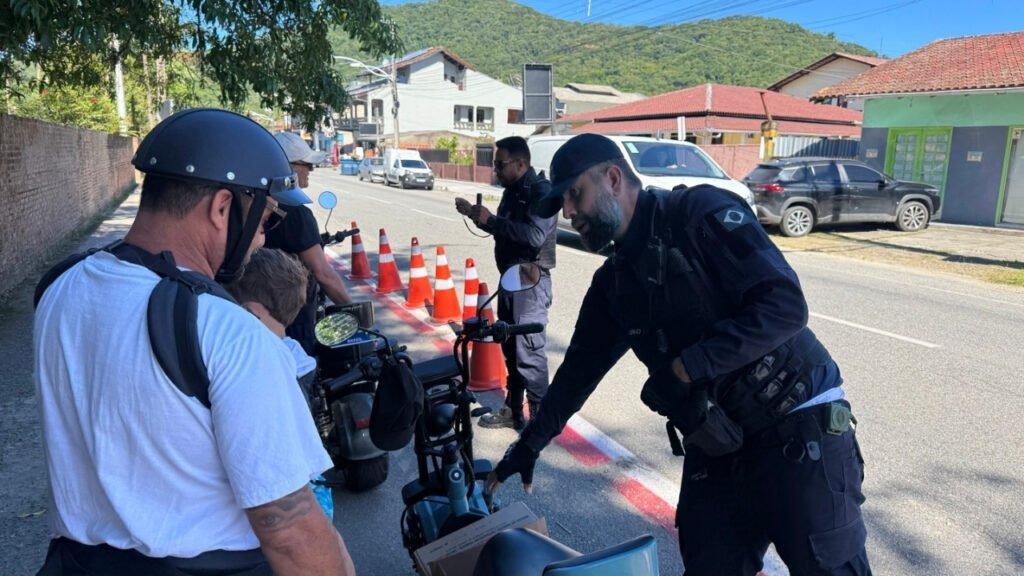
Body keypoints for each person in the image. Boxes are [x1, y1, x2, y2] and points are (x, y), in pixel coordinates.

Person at [488, 134, 870, 575]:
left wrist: (687, 367)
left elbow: (785, 306)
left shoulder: (698, 214)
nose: (569, 212)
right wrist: (528, 446)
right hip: (719, 443)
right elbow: (575, 376)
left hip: (799, 427)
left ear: (613, 178)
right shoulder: (613, 285)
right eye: (562, 204)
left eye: (575, 194)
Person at [33, 109, 355, 576]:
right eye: (265, 219)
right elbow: (290, 529)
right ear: (222, 208)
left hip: (76, 563)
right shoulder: (227, 330)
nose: (262, 239)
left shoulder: (62, 287)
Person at [455, 136, 557, 431]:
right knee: (511, 349)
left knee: (530, 354)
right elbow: (508, 231)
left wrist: (494, 221)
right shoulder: (512, 191)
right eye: (495, 164)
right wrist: (480, 219)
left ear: (521, 163)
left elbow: (535, 237)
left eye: (500, 164)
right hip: (511, 279)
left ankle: (540, 422)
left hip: (531, 281)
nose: (496, 170)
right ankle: (514, 412)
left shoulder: (541, 192)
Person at [224, 247, 334, 520]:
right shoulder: (297, 354)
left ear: (251, 310)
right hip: (316, 498)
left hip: (285, 508)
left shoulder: (260, 364)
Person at [267, 131, 353, 355]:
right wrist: (353, 311)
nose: (311, 171)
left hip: (264, 313)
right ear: (291, 168)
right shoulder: (297, 214)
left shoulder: (261, 205)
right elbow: (323, 273)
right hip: (295, 318)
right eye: (307, 165)